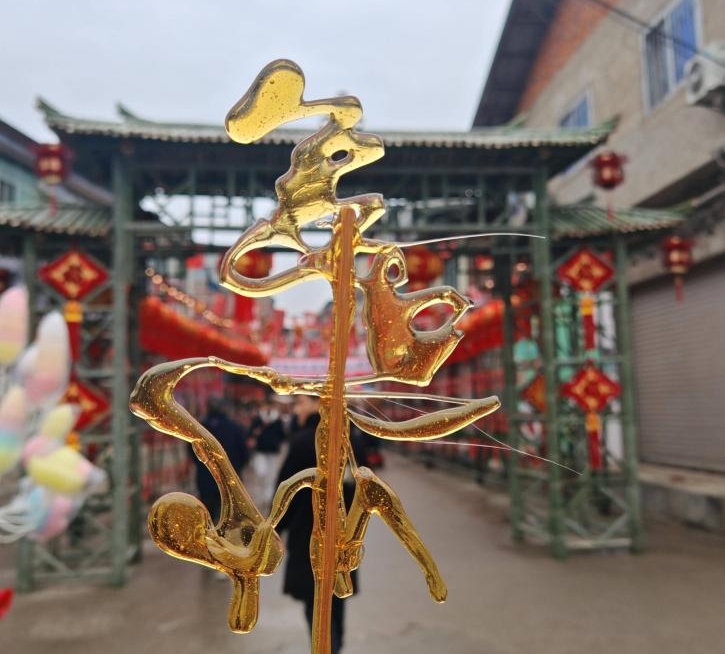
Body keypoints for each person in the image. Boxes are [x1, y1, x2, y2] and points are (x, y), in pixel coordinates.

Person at [275, 394, 368, 654]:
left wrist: (276, 528)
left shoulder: (302, 442)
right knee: (336, 596)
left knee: (314, 600)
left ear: (318, 403)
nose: (297, 409)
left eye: (301, 402)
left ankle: (327, 648)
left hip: (308, 534)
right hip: (343, 534)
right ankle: (336, 645)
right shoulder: (349, 440)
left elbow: (284, 492)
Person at [193, 396, 249, 524]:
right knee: (228, 519)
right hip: (230, 479)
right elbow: (244, 453)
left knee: (208, 518)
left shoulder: (199, 428)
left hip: (205, 479)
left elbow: (192, 452)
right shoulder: (235, 428)